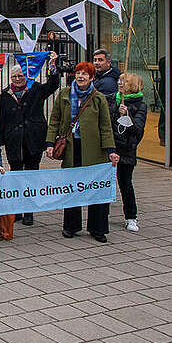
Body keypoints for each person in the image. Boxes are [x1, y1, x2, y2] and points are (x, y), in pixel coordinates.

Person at [46, 61, 118, 243]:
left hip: (94, 151)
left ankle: (97, 228)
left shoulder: (98, 97)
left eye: (85, 74)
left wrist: (111, 150)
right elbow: (55, 120)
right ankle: (71, 226)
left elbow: (105, 126)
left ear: (91, 77)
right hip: (71, 148)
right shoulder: (64, 95)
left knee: (95, 189)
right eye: (78, 73)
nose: (80, 77)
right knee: (71, 188)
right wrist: (49, 143)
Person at [0, 53, 59, 225]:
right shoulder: (4, 96)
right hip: (14, 141)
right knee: (16, 176)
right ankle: (17, 211)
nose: (17, 79)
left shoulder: (36, 89)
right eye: (14, 76)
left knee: (31, 175)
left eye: (20, 75)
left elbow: (53, 85)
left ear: (26, 75)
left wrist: (52, 66)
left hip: (33, 139)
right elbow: (3, 119)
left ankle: (29, 211)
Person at [110, 73, 147, 232]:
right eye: (119, 81)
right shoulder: (113, 99)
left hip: (126, 150)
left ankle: (131, 217)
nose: (120, 83)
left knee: (125, 184)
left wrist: (127, 115)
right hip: (111, 148)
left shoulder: (140, 105)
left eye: (124, 82)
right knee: (105, 183)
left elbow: (137, 130)